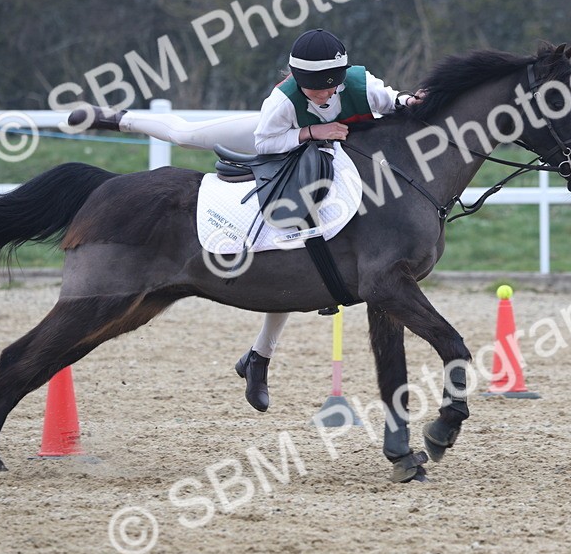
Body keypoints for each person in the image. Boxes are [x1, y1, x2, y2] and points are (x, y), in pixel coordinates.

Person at [68, 29, 425, 411]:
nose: (323, 95)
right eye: (314, 90)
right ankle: (120, 119)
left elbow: (395, 103)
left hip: (331, 168)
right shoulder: (282, 102)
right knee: (186, 135)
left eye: (330, 88)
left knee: (292, 248)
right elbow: (267, 142)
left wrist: (410, 100)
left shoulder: (360, 83)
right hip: (280, 147)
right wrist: (312, 131)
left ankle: (258, 357)